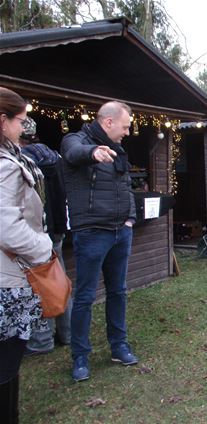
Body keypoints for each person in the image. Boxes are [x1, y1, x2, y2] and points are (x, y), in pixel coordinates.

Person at [61, 101, 138, 382]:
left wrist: (130, 217)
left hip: (121, 232)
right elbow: (73, 154)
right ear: (108, 123)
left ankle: (119, 346)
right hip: (92, 233)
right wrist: (93, 152)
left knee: (118, 291)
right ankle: (80, 357)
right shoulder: (75, 140)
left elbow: (126, 185)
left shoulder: (118, 150)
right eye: (125, 126)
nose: (128, 132)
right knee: (85, 297)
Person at [0, 87, 53, 423]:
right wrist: (44, 248)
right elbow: (6, 226)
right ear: (2, 121)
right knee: (5, 364)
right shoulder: (5, 166)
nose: (24, 127)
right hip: (7, 280)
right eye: (20, 120)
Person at [19, 118, 72, 355]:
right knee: (57, 280)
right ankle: (67, 333)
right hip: (57, 227)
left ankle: (42, 340)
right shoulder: (55, 157)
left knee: (39, 285)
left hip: (36, 231)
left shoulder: (22, 160)